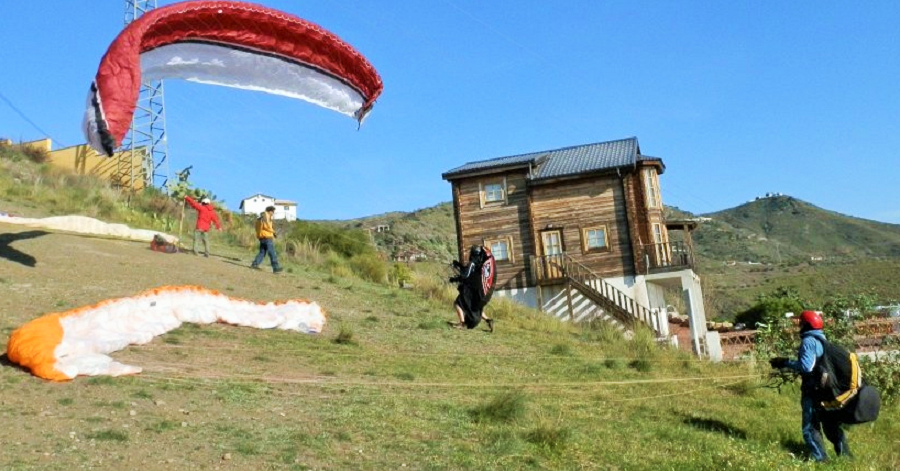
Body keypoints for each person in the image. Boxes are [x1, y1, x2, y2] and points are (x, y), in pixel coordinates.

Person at [769, 310, 851, 462]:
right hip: (826, 389)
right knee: (831, 425)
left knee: (810, 427)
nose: (799, 326)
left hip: (813, 391)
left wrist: (785, 363)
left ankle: (821, 460)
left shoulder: (808, 341)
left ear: (806, 325)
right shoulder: (822, 339)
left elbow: (806, 367)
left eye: (801, 323)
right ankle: (846, 459)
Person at [448, 245, 495, 332]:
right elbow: (469, 272)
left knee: (458, 303)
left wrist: (455, 279)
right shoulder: (480, 264)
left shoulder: (472, 262)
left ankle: (461, 323)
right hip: (479, 292)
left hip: (472, 290)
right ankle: (488, 320)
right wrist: (458, 265)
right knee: (475, 307)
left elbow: (465, 275)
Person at [251, 205, 283, 274]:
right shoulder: (266, 216)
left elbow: (258, 227)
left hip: (261, 237)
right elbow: (267, 226)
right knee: (272, 252)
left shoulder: (260, 217)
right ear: (270, 211)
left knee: (262, 252)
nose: (273, 213)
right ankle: (275, 267)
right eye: (273, 212)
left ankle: (255, 264)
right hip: (267, 237)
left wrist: (259, 235)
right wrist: (274, 232)